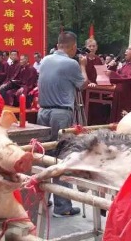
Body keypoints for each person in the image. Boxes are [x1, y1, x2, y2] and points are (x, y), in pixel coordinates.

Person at [37, 31, 86, 217]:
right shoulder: (71, 63)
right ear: (73, 47)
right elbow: (83, 84)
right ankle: (62, 206)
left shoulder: (45, 60)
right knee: (62, 158)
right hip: (61, 114)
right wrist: (83, 66)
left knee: (45, 156)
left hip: (43, 112)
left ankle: (42, 199)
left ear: (58, 45)